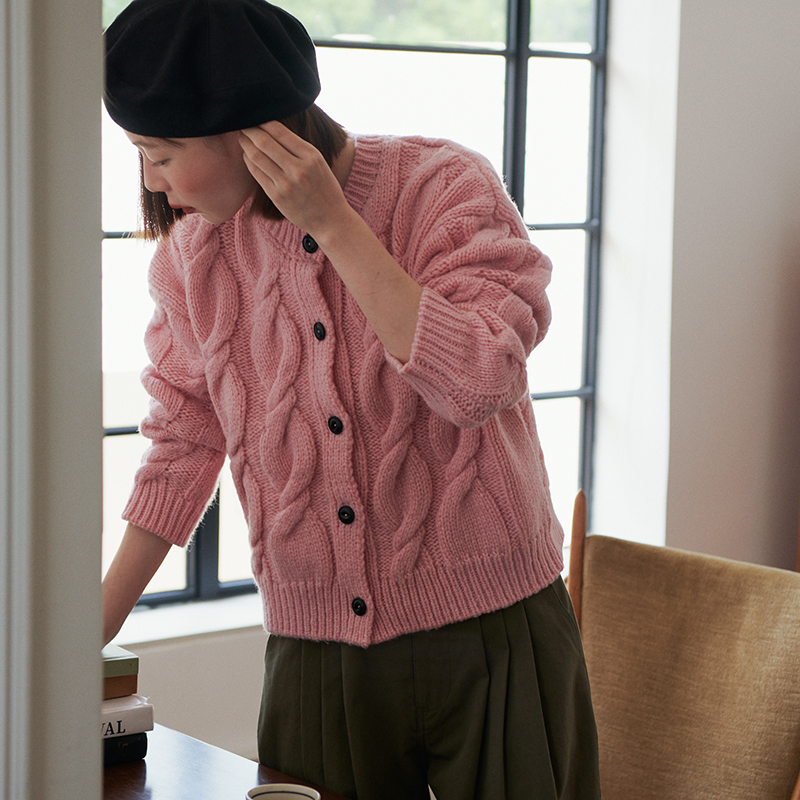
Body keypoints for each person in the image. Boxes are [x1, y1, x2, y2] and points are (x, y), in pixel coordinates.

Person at [102, 1, 600, 798]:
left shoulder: (442, 187)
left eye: (159, 155)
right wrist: (90, 632)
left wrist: (333, 222)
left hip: (497, 629)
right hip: (317, 651)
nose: (151, 183)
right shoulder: (190, 265)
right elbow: (180, 449)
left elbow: (477, 380)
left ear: (251, 130)